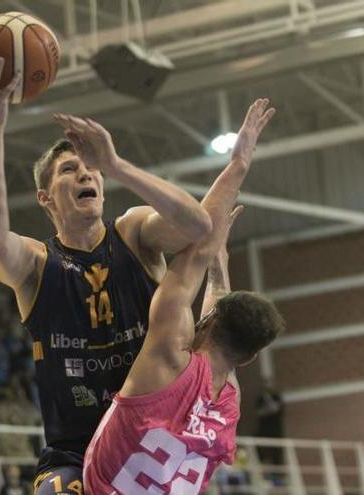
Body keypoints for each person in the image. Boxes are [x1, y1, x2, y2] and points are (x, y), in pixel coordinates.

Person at [0, 52, 213, 494]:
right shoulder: (38, 264)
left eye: (91, 169)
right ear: (46, 198)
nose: (86, 174)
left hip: (149, 440)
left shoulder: (134, 233)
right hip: (74, 451)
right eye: (68, 170)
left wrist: (116, 164)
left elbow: (197, 225)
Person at [83, 99, 285, 494]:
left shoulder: (168, 358)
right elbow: (217, 301)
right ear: (249, 357)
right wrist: (219, 261)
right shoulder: (230, 403)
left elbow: (194, 252)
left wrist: (238, 164)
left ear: (207, 321)